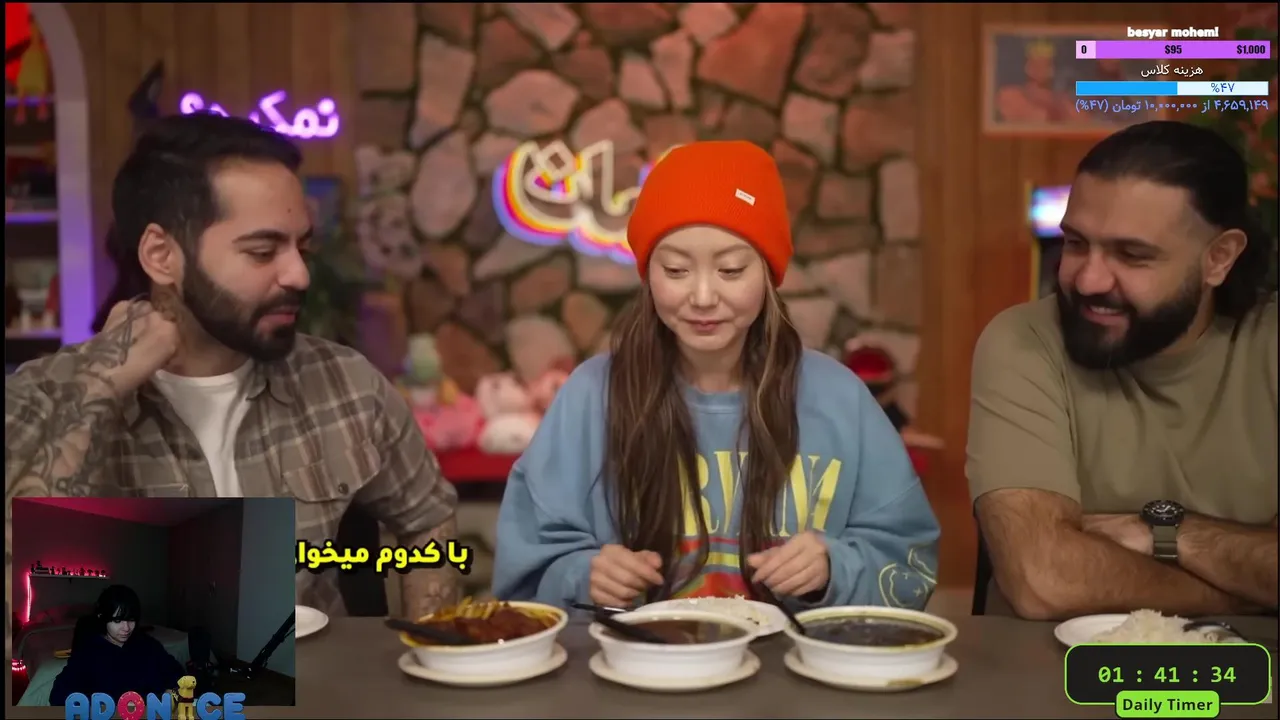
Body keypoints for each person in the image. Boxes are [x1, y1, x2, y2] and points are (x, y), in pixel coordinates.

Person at [4, 114, 460, 635]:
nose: (299, 274)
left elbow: (428, 519)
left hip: (318, 684)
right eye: (262, 252)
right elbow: (18, 603)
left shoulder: (345, 385)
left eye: (302, 247)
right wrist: (102, 386)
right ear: (161, 256)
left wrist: (432, 657)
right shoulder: (39, 396)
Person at [492, 140, 940, 610]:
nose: (703, 296)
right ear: (648, 275)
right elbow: (523, 572)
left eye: (730, 270)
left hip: (793, 657)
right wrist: (581, 575)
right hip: (630, 656)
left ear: (768, 273)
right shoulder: (590, 398)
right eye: (676, 270)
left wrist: (836, 568)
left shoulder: (840, 399)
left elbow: (910, 562)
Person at [967, 120, 1278, 620]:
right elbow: (1043, 580)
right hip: (1048, 665)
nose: (1088, 280)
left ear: (1218, 259)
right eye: (1075, 243)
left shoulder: (1267, 346)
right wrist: (1246, 592)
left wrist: (1170, 533)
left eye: (1132, 255)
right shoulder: (1025, 341)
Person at [49, 585, 184, 705]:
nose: (126, 628)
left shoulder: (149, 645)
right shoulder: (88, 652)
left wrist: (172, 692)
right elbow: (58, 695)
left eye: (131, 620)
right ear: (102, 617)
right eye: (118, 621)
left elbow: (178, 674)